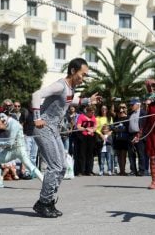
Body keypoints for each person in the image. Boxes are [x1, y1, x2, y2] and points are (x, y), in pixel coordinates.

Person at [31, 57, 101, 218]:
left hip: (54, 130)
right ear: (72, 71)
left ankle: (47, 201)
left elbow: (71, 100)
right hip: (43, 128)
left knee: (62, 166)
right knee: (55, 166)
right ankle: (43, 203)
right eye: (82, 75)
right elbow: (36, 94)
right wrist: (36, 117)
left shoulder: (70, 89)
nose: (83, 78)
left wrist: (88, 100)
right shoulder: (60, 85)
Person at [0, 111, 43, 189]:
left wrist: (0, 144)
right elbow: (8, 140)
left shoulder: (14, 124)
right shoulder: (8, 123)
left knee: (30, 166)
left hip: (20, 149)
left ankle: (45, 182)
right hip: (11, 150)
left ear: (3, 119)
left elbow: (10, 142)